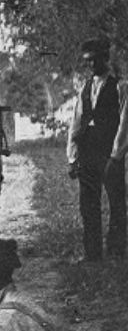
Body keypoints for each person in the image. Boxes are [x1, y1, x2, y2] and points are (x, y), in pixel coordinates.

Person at [66, 36, 128, 261]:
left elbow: (125, 124)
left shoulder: (120, 86)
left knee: (116, 203)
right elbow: (76, 122)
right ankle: (92, 254)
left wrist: (116, 156)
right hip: (87, 151)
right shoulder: (85, 87)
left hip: (108, 151)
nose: (91, 64)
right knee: (88, 204)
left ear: (105, 58)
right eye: (88, 60)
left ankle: (116, 252)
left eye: (95, 59)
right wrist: (72, 157)